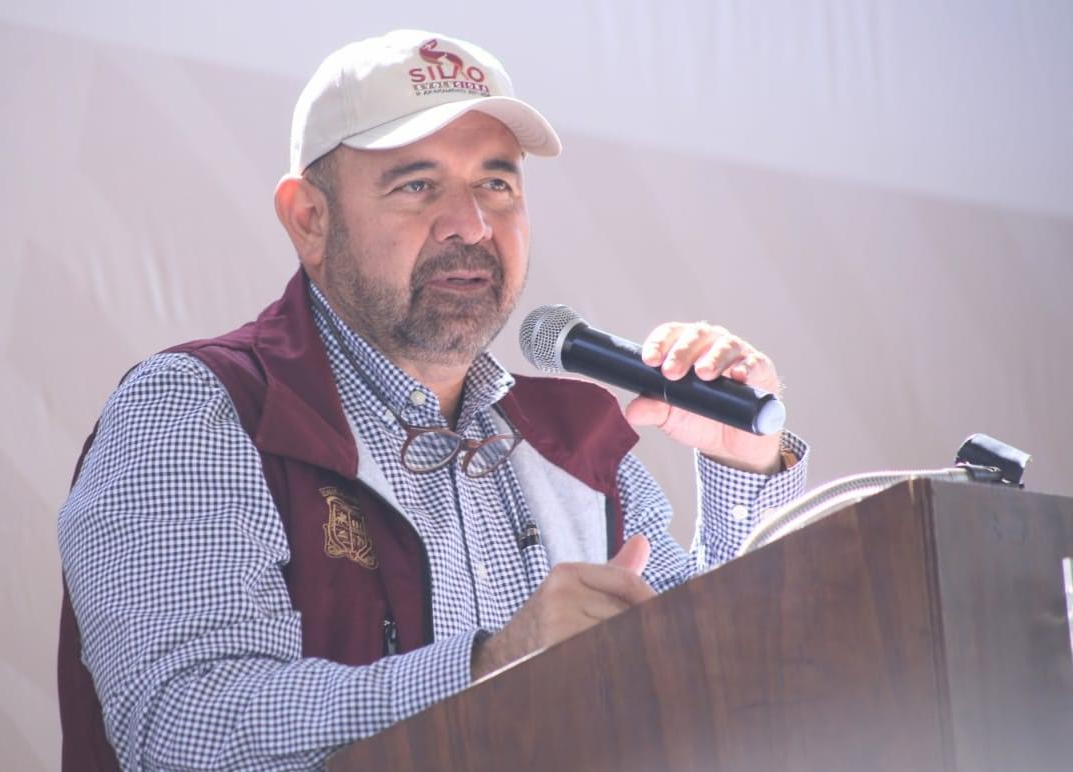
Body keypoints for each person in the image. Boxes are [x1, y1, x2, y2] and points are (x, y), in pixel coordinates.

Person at [57, 29, 808, 771]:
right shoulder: (199, 407)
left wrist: (743, 468)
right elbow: (180, 727)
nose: (471, 225)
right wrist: (492, 668)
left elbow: (723, 684)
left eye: (496, 184)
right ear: (310, 219)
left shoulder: (571, 441)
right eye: (417, 185)